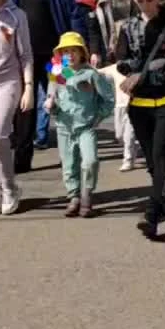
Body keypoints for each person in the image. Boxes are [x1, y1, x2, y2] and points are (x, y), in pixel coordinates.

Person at [115, 0, 165, 240]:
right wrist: (131, 72)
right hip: (139, 103)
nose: (143, 3)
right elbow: (121, 59)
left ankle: (152, 214)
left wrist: (142, 74)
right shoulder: (127, 26)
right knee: (152, 161)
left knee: (161, 156)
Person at [9, 0, 84, 172]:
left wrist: (78, 48)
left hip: (57, 56)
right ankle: (22, 160)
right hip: (26, 56)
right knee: (25, 107)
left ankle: (72, 152)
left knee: (65, 97)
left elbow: (73, 12)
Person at [44, 31, 115, 217]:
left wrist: (98, 117)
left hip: (86, 126)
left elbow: (108, 99)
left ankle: (86, 196)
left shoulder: (90, 74)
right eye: (65, 51)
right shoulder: (58, 72)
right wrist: (50, 105)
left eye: (73, 50)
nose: (69, 55)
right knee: (69, 165)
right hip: (64, 126)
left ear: (82, 52)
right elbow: (52, 95)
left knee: (90, 161)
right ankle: (73, 196)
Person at [0, 0, 34, 215]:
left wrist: (28, 88)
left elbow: (26, 55)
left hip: (7, 82)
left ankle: (10, 187)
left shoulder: (17, 16)